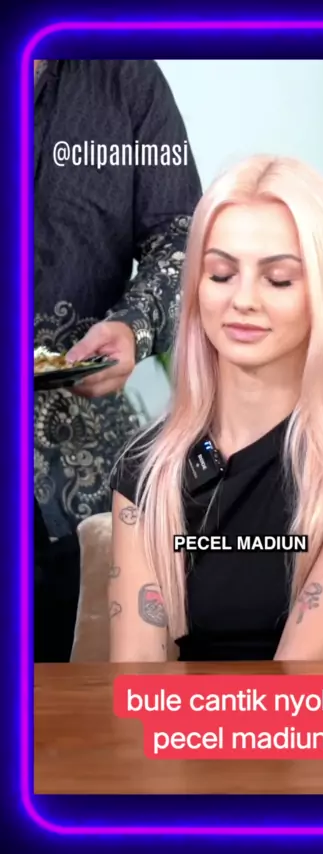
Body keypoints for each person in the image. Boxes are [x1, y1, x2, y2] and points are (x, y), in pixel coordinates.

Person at [109, 154, 323, 663]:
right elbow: (136, 685)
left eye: (278, 279)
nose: (243, 300)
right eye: (220, 274)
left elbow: (290, 692)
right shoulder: (147, 467)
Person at [34, 60, 202, 661]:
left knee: (74, 696)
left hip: (78, 469)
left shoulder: (126, 77)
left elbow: (182, 236)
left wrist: (133, 326)